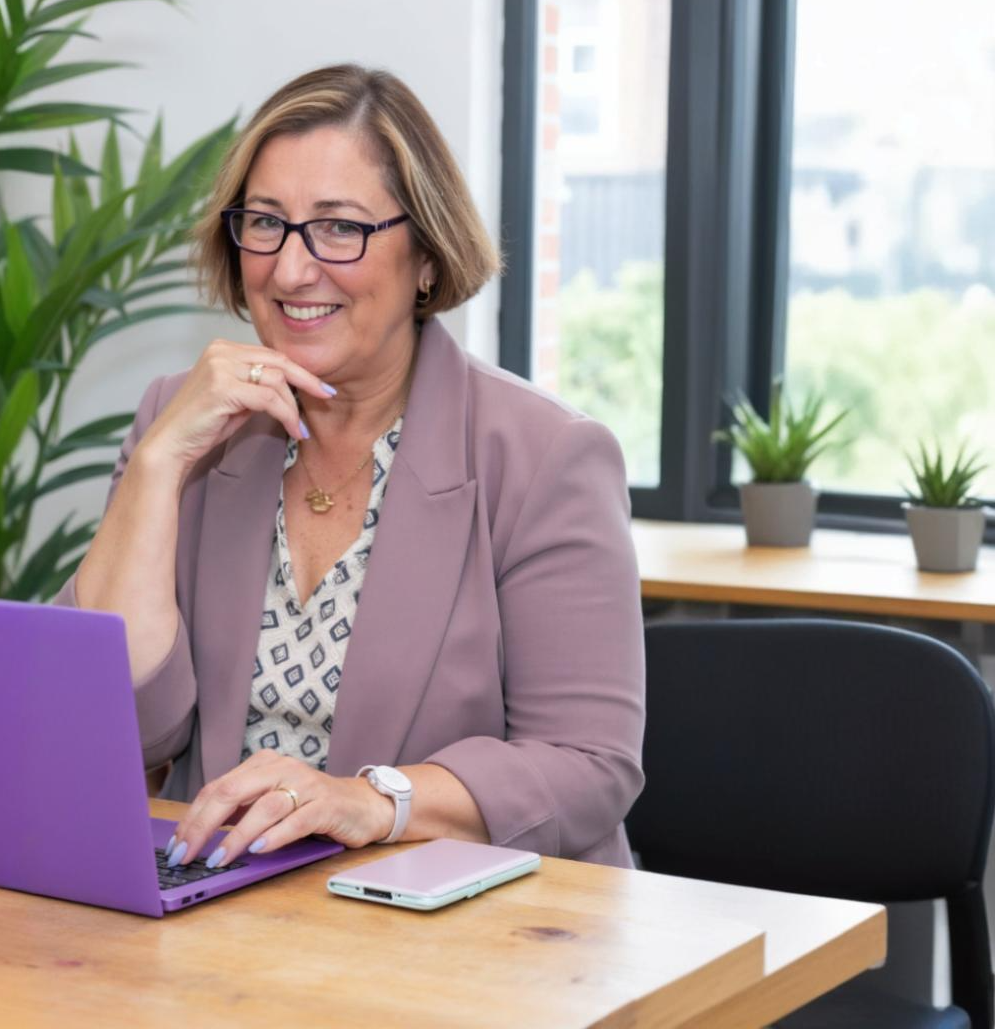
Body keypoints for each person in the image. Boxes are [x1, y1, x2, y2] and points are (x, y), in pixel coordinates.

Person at [59, 64, 644, 872]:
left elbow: (589, 767)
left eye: (340, 228)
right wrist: (160, 463)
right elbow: (110, 730)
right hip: (226, 913)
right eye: (265, 223)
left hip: (473, 939)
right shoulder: (186, 422)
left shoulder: (544, 456)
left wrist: (374, 799)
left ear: (428, 258)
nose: (291, 269)